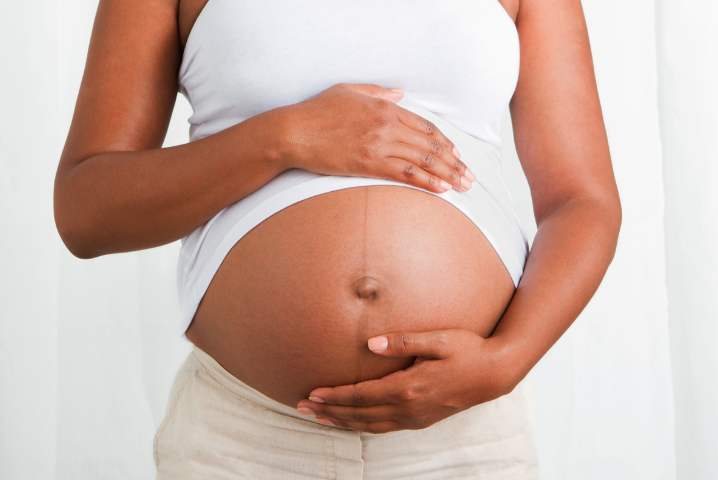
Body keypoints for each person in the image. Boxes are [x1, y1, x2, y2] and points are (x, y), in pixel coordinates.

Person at [53, 0, 622, 477]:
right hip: (243, 441)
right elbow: (86, 210)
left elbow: (582, 200)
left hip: (459, 435)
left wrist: (508, 359)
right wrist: (284, 137)